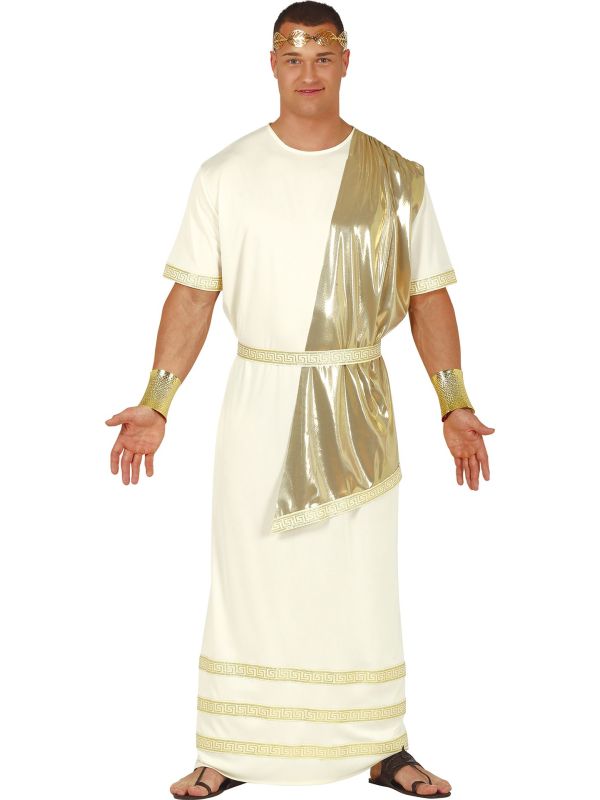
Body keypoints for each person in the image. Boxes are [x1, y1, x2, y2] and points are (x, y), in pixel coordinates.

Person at [105, 2, 495, 797]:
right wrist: (156, 401)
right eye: (293, 57)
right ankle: (228, 748)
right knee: (248, 571)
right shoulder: (225, 173)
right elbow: (194, 295)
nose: (308, 73)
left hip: (358, 398)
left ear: (347, 61)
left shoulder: (396, 176)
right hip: (261, 396)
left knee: (359, 578)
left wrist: (454, 404)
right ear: (272, 64)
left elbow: (428, 296)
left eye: (322, 57)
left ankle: (383, 746)